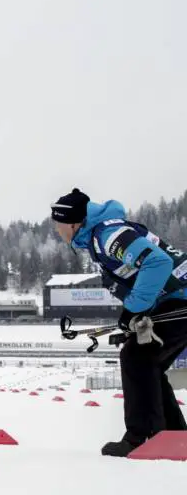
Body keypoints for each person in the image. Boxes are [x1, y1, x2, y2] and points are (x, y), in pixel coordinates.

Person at [51, 188, 187, 456]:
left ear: (74, 223)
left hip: (180, 298)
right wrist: (134, 313)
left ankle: (145, 437)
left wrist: (134, 308)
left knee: (137, 358)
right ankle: (174, 438)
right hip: (174, 299)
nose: (57, 231)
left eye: (59, 225)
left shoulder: (109, 235)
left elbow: (157, 263)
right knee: (147, 362)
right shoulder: (98, 236)